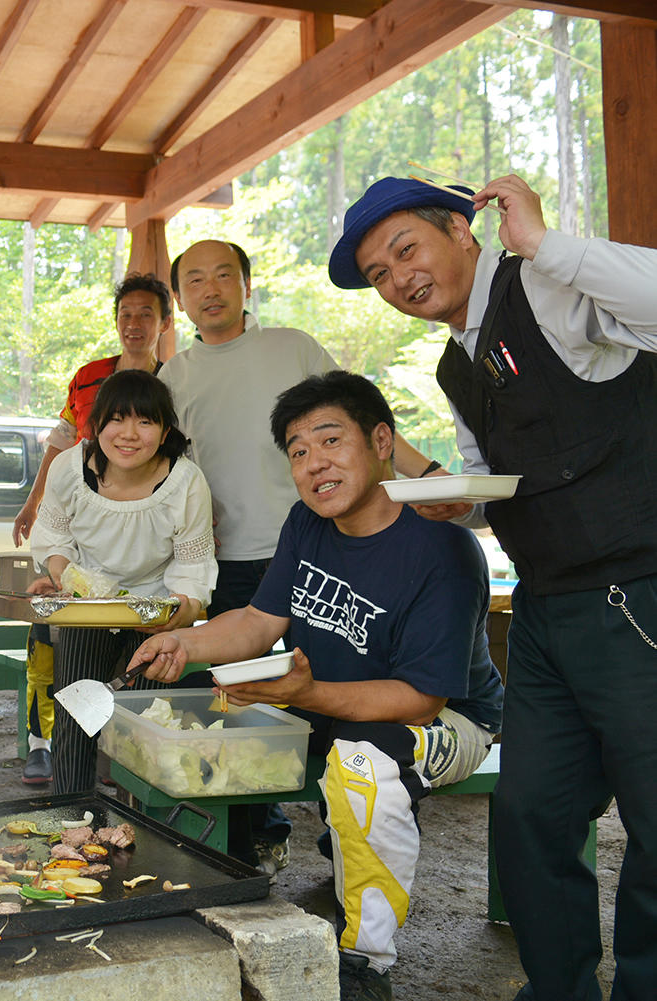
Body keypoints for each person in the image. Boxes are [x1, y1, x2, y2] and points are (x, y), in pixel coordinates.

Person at [330, 174, 657, 1001]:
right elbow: (489, 477)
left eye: (406, 249)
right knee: (531, 816)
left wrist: (548, 244)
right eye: (378, 273)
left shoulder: (545, 279)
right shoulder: (455, 359)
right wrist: (455, 502)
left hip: (636, 592)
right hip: (546, 609)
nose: (399, 279)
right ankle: (558, 989)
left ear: (461, 228)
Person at [129, 371, 504, 1001]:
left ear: (382, 440)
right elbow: (256, 621)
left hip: (444, 719)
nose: (313, 463)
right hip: (330, 702)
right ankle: (194, 904)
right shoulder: (307, 524)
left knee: (364, 762)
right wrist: (185, 643)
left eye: (330, 441)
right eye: (298, 452)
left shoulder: (443, 547)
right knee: (191, 729)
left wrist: (299, 696)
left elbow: (418, 699)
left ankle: (365, 962)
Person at [160, 238, 437, 877]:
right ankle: (255, 837)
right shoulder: (174, 378)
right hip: (231, 568)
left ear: (246, 285)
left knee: (336, 689)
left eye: (223, 275)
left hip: (321, 552)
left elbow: (363, 422)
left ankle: (349, 832)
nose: (210, 289)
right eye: (194, 280)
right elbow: (171, 474)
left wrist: (428, 477)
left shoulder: (292, 346)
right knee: (241, 705)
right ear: (181, 299)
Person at [10, 272, 176, 785]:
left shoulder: (180, 378)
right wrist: (34, 501)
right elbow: (61, 445)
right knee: (74, 664)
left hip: (151, 553)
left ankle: (122, 778)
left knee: (136, 681)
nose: (134, 324)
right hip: (83, 552)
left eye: (146, 314)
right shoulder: (86, 377)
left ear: (165, 322)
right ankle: (71, 785)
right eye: (126, 314)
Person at [26, 369, 215, 794]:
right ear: (96, 425)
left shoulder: (186, 483)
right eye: (117, 419)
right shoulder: (69, 469)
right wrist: (65, 577)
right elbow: (54, 535)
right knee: (76, 716)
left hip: (157, 610)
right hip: (87, 607)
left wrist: (177, 617)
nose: (129, 434)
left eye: (145, 421)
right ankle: (68, 816)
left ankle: (139, 830)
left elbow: (193, 566)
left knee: (144, 726)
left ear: (166, 430)